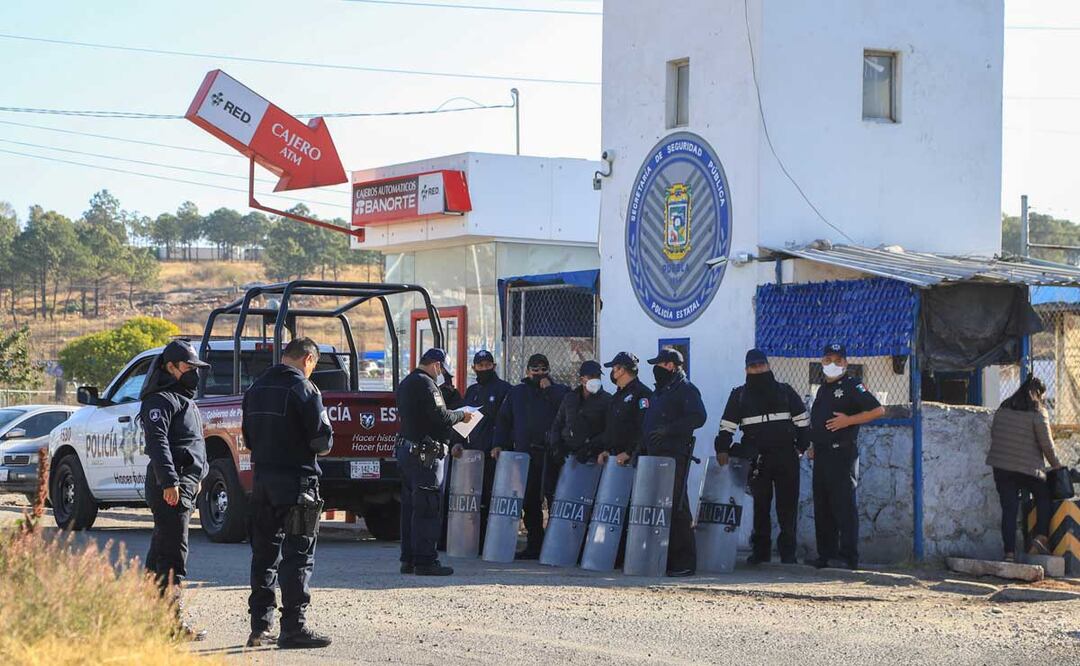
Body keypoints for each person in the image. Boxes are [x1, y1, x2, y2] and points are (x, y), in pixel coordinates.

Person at [242, 337, 334, 649]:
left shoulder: (255, 389)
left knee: (264, 555)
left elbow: (248, 438)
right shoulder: (305, 390)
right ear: (308, 358)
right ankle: (294, 627)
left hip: (263, 482)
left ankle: (260, 627)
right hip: (298, 485)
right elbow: (323, 441)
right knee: (298, 555)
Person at [139, 339, 209, 641]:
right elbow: (158, 443)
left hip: (184, 485)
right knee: (171, 557)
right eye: (188, 367)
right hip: (172, 486)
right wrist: (170, 481)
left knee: (160, 553)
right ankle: (170, 626)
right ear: (170, 367)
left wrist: (199, 475)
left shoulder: (183, 400)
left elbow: (191, 444)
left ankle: (148, 620)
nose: (194, 372)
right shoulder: (160, 400)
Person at [714, 349, 810, 565]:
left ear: (768, 366)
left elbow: (803, 422)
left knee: (787, 508)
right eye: (753, 366)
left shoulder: (785, 391)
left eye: (761, 365)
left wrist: (800, 448)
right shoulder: (739, 395)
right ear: (746, 369)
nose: (758, 369)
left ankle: (788, 555)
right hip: (757, 460)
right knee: (761, 507)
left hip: (786, 457)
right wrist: (722, 448)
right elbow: (727, 425)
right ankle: (760, 553)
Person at [396, 348, 473, 576]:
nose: (442, 374)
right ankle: (425, 561)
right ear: (437, 365)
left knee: (411, 508)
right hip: (425, 456)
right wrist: (461, 415)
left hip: (407, 451)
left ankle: (408, 559)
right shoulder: (427, 385)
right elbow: (441, 416)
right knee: (428, 507)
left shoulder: (407, 382)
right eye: (442, 369)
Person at [807, 343, 884, 570]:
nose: (833, 364)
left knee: (843, 506)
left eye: (838, 360)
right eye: (828, 359)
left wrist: (848, 420)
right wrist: (813, 444)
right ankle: (826, 555)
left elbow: (878, 410)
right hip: (821, 454)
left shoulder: (852, 385)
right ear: (822, 362)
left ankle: (848, 557)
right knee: (823, 507)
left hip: (842, 453)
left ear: (845, 363)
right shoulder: (821, 389)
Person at [492, 353, 569, 559]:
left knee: (554, 500)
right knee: (530, 501)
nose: (539, 374)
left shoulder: (559, 391)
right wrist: (499, 444)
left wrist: (549, 390)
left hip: (552, 455)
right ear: (527, 371)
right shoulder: (517, 392)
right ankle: (535, 544)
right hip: (526, 455)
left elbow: (566, 411)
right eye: (535, 370)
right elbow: (504, 420)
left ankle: (555, 546)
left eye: (543, 370)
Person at [641, 348, 707, 577]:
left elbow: (699, 416)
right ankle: (666, 559)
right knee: (661, 508)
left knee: (678, 507)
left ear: (670, 365)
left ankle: (685, 562)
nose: (655, 369)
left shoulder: (685, 389)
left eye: (659, 364)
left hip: (674, 456)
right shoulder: (662, 390)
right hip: (656, 456)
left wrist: (669, 430)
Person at [986, 377, 1064, 562]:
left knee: (1009, 509)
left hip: (1001, 467)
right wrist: (1057, 466)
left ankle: (1009, 554)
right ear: (1038, 393)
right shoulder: (1038, 411)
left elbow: (994, 433)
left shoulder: (1003, 408)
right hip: (1028, 469)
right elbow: (1047, 445)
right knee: (1043, 495)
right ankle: (1041, 537)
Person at [452, 350, 511, 546]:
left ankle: (489, 540)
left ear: (494, 366)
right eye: (480, 366)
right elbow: (462, 419)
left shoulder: (504, 389)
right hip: (472, 454)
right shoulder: (472, 391)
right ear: (474, 368)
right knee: (472, 498)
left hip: (493, 454)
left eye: (488, 365)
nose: (484, 369)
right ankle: (471, 539)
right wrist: (457, 442)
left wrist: (499, 444)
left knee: (490, 496)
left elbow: (506, 421)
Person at [547, 360, 612, 499]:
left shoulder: (607, 400)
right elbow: (558, 424)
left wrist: (591, 447)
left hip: (592, 460)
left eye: (597, 377)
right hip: (569, 460)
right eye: (591, 377)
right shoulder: (570, 398)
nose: (595, 380)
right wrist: (556, 446)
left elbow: (609, 430)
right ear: (582, 379)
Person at [598, 352, 652, 468]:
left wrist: (629, 452)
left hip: (633, 462)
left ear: (621, 370)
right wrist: (606, 450)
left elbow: (645, 427)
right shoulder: (616, 397)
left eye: (613, 369)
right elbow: (612, 427)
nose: (612, 373)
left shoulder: (642, 394)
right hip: (614, 462)